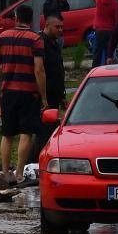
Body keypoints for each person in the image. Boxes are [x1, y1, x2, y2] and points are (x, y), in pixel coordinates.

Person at [0, 4, 47, 184]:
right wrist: (43, 96)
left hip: (8, 93)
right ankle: (19, 173)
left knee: (7, 134)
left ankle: (6, 172)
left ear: (16, 18)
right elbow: (39, 70)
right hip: (29, 93)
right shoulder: (36, 39)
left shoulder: (3, 37)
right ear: (30, 20)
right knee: (26, 133)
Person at [33, 13, 67, 162]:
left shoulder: (55, 42)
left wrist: (63, 95)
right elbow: (39, 70)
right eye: (57, 27)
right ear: (47, 25)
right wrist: (43, 97)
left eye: (62, 27)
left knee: (51, 130)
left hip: (55, 94)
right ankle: (33, 162)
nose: (60, 30)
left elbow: (59, 69)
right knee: (44, 131)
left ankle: (41, 159)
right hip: (44, 95)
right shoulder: (40, 42)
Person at [91, 0, 118, 67]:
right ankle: (108, 69)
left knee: (97, 52)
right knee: (109, 52)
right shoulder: (115, 3)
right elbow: (117, 19)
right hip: (110, 30)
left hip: (99, 28)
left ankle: (94, 69)